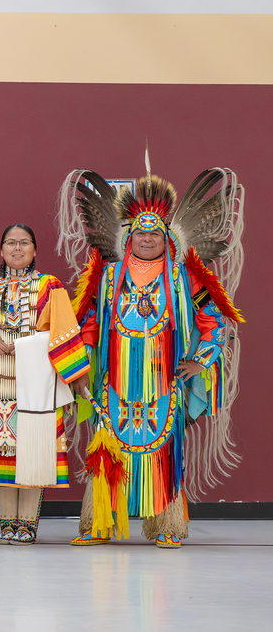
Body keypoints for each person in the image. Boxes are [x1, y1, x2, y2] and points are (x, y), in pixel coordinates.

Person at [57, 163, 245, 548]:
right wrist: (84, 365)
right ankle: (99, 523)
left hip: (164, 381)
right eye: (139, 233)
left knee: (163, 448)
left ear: (166, 238)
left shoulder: (184, 278)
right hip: (116, 379)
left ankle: (167, 526)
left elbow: (213, 320)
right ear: (129, 237)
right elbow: (89, 323)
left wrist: (202, 360)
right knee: (109, 445)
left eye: (153, 234)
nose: (146, 239)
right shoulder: (108, 277)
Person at [0, 224, 90, 545]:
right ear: (1, 250)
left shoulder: (50, 287)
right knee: (0, 450)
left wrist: (75, 376)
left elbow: (64, 330)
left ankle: (28, 525)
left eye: (24, 243)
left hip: (36, 380)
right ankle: (7, 525)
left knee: (33, 449)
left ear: (34, 250)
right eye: (10, 243)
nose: (17, 249)